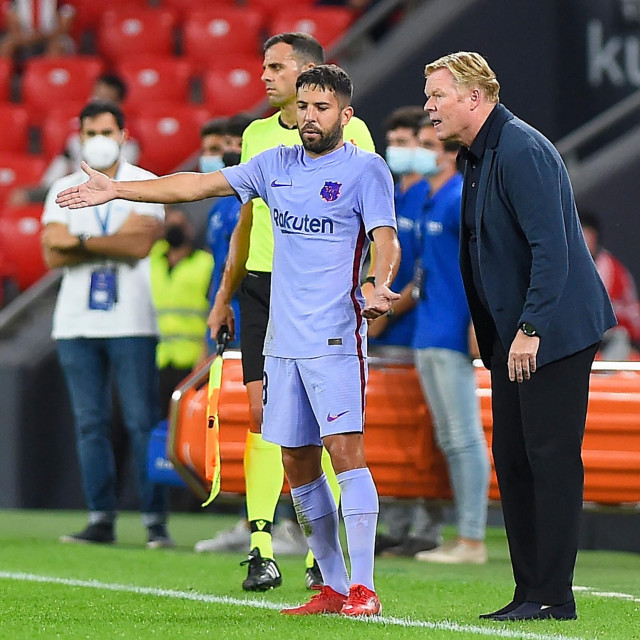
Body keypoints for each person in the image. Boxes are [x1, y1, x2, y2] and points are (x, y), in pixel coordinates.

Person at [56, 63, 400, 618]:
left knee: (345, 453)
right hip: (282, 340)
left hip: (335, 336)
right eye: (303, 108)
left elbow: (385, 239)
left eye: (321, 108)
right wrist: (119, 187)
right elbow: (196, 185)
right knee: (295, 460)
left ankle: (364, 587)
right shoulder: (274, 163)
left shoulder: (367, 170)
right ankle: (333, 587)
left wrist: (377, 285)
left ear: (346, 114)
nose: (310, 118)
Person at [423, 51, 616, 621]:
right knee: (514, 459)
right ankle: (529, 590)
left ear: (475, 98)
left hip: (552, 330)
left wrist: (529, 328)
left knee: (549, 459)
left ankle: (554, 596)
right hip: (516, 336)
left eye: (438, 96)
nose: (429, 107)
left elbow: (551, 249)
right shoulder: (480, 154)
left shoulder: (521, 149)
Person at [201, 32, 375, 591]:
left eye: (276, 68)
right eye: (266, 68)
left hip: (324, 299)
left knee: (336, 438)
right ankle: (267, 545)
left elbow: (376, 225)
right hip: (263, 291)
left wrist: (372, 283)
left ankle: (342, 575)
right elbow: (240, 213)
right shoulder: (260, 140)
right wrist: (225, 292)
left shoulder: (357, 143)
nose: (265, 77)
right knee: (272, 427)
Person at [41, 99, 173, 549]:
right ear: (79, 135)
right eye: (90, 132)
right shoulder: (61, 185)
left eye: (105, 131)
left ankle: (155, 520)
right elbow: (50, 251)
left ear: (123, 134)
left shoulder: (145, 182)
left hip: (133, 320)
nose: (97, 140)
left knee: (141, 421)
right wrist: (105, 241)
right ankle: (100, 518)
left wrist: (78, 240)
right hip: (75, 323)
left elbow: (139, 244)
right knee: (90, 424)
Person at [376, 117, 491, 564]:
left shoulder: (460, 198)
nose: (419, 152)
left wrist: (478, 323)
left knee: (463, 436)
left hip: (450, 331)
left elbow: (483, 265)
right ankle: (465, 536)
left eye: (427, 144)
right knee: (449, 437)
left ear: (447, 152)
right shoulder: (431, 200)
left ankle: (473, 539)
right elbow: (426, 274)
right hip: (430, 329)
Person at [368, 105, 445, 558]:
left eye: (407, 142)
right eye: (394, 141)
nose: (400, 151)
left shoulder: (428, 195)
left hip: (413, 325)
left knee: (425, 433)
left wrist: (387, 311)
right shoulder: (392, 193)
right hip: (388, 329)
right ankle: (396, 520)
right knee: (392, 432)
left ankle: (428, 522)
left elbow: (420, 271)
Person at [10, 73, 140, 207]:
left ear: (118, 104)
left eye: (105, 99)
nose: (97, 103)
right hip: (74, 188)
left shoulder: (127, 138)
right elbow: (59, 166)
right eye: (96, 96)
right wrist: (46, 188)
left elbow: (122, 176)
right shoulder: (76, 135)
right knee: (21, 196)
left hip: (111, 193)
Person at [150, 206, 213, 415]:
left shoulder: (205, 263)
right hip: (161, 357)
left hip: (194, 358)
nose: (173, 229)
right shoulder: (154, 259)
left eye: (178, 225)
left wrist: (206, 353)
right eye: (168, 225)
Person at [580, 210, 640, 360]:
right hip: (592, 330)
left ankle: (606, 378)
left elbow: (593, 310)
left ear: (594, 237)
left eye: (585, 234)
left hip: (619, 329)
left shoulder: (607, 267)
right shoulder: (571, 264)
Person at [0, 0, 76, 60]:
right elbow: (12, 23)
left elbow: (64, 26)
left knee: (56, 47)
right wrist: (24, 37)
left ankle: (45, 76)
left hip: (52, 36)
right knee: (6, 46)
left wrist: (41, 36)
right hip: (24, 37)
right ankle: (5, 77)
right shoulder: (16, 1)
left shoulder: (60, 2)